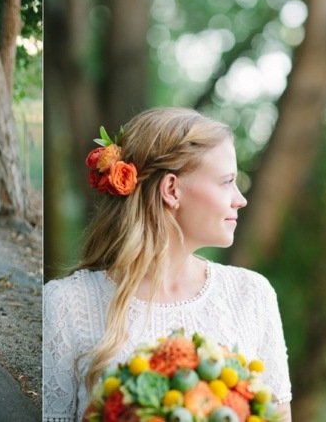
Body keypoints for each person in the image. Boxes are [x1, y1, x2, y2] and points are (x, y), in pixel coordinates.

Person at [43, 108, 292, 421]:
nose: (240, 199)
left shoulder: (252, 295)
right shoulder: (64, 304)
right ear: (172, 190)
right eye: (227, 181)